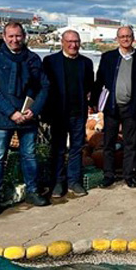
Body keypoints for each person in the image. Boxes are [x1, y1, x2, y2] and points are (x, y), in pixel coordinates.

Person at [0, 22, 50, 216]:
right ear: (4, 37)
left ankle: (32, 191)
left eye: (18, 36)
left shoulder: (33, 59)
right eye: (10, 36)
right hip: (3, 118)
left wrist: (34, 110)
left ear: (24, 36)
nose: (14, 40)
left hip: (27, 117)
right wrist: (11, 112)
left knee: (29, 155)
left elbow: (44, 87)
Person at [91, 26, 136, 188]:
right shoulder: (108, 57)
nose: (125, 39)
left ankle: (128, 175)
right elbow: (100, 81)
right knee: (108, 143)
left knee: (130, 144)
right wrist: (94, 102)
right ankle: (108, 175)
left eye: (128, 36)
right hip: (111, 107)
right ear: (117, 38)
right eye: (122, 36)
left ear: (133, 38)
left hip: (131, 108)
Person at [42, 29, 94, 199]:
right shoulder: (50, 61)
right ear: (62, 42)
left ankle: (74, 181)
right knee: (57, 149)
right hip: (58, 113)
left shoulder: (86, 63)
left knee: (76, 148)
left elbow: (88, 86)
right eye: (70, 41)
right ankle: (57, 182)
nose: (73, 45)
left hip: (78, 112)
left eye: (76, 41)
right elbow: (45, 88)